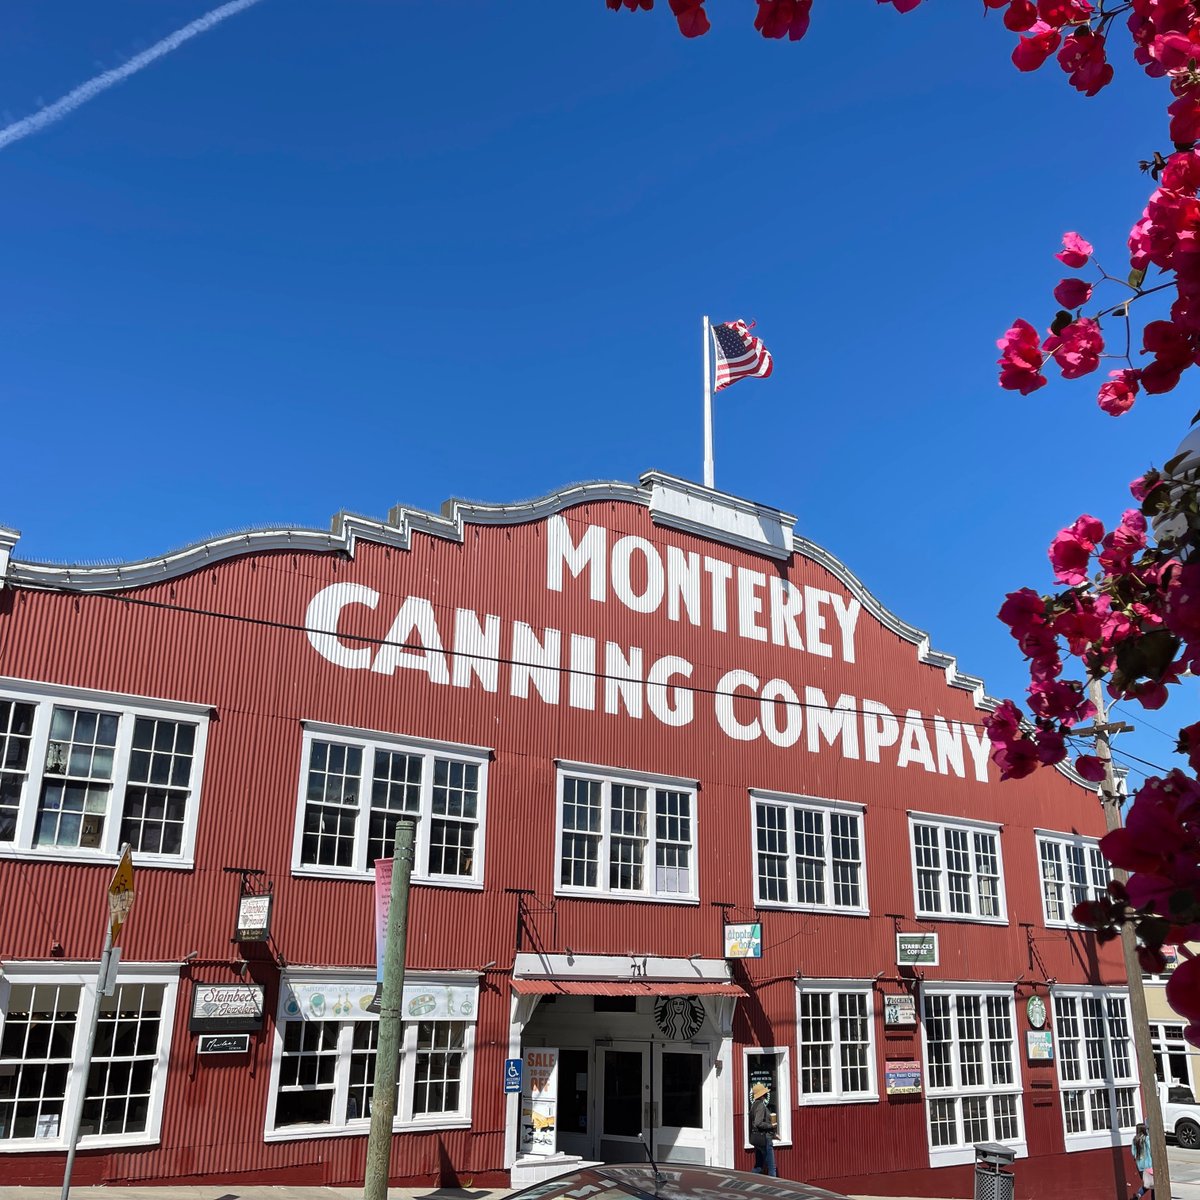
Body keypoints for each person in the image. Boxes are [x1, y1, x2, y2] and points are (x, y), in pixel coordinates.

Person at [749, 1081, 777, 1177]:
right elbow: (758, 1123)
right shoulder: (760, 1105)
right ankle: (774, 1186)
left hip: (758, 1139)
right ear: (761, 1095)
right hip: (765, 1138)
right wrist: (771, 1126)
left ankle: (751, 1180)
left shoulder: (754, 1105)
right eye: (764, 1093)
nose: (765, 1094)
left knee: (759, 1166)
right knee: (772, 1167)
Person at [1132, 1122, 1153, 1198]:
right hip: (1149, 1165)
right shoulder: (1146, 1139)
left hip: (1140, 1167)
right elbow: (1151, 1150)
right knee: (1154, 1185)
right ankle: (1139, 1195)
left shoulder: (1135, 1139)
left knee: (1147, 1184)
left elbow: (1133, 1153)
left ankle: (1138, 1195)